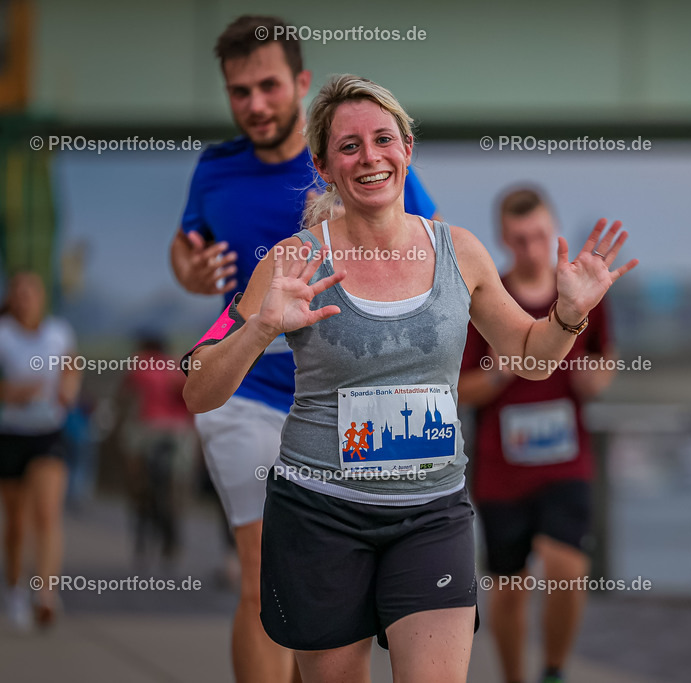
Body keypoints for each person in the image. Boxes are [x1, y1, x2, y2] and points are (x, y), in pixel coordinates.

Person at [181, 73, 637, 683]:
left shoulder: (461, 252)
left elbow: (529, 356)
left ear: (407, 150)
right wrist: (262, 328)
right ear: (323, 165)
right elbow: (199, 389)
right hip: (321, 515)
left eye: (383, 140)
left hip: (430, 515)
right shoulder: (294, 259)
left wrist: (567, 314)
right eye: (349, 146)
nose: (370, 157)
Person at [168, 15, 438, 682]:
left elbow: (428, 249)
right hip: (249, 396)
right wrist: (190, 270)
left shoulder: (354, 159)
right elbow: (187, 245)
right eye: (239, 92)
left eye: (267, 86)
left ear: (301, 83)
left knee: (337, 591)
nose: (255, 104)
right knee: (265, 578)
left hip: (347, 406)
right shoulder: (215, 169)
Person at [458, 188, 618, 683]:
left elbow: (605, 356)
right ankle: (513, 676)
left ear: (553, 234)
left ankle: (553, 669)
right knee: (507, 590)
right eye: (520, 238)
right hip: (501, 469)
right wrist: (504, 370)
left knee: (566, 564)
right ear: (504, 238)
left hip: (566, 461)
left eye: (540, 236)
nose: (531, 247)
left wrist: (599, 377)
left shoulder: (578, 290)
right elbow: (460, 388)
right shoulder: (488, 298)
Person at [0, 271, 81, 630]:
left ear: (42, 297)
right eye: (19, 293)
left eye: (31, 292)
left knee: (47, 514)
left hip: (49, 432)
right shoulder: (3, 335)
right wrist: (16, 393)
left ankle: (45, 593)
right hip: (9, 434)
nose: (25, 299)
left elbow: (72, 366)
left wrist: (68, 389)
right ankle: (15, 588)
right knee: (16, 523)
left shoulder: (58, 332)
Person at [118, 334, 196, 565]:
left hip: (147, 429)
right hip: (179, 431)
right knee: (177, 485)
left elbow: (125, 396)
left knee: (138, 483)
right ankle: (173, 536)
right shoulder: (177, 363)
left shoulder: (140, 363)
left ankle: (141, 536)